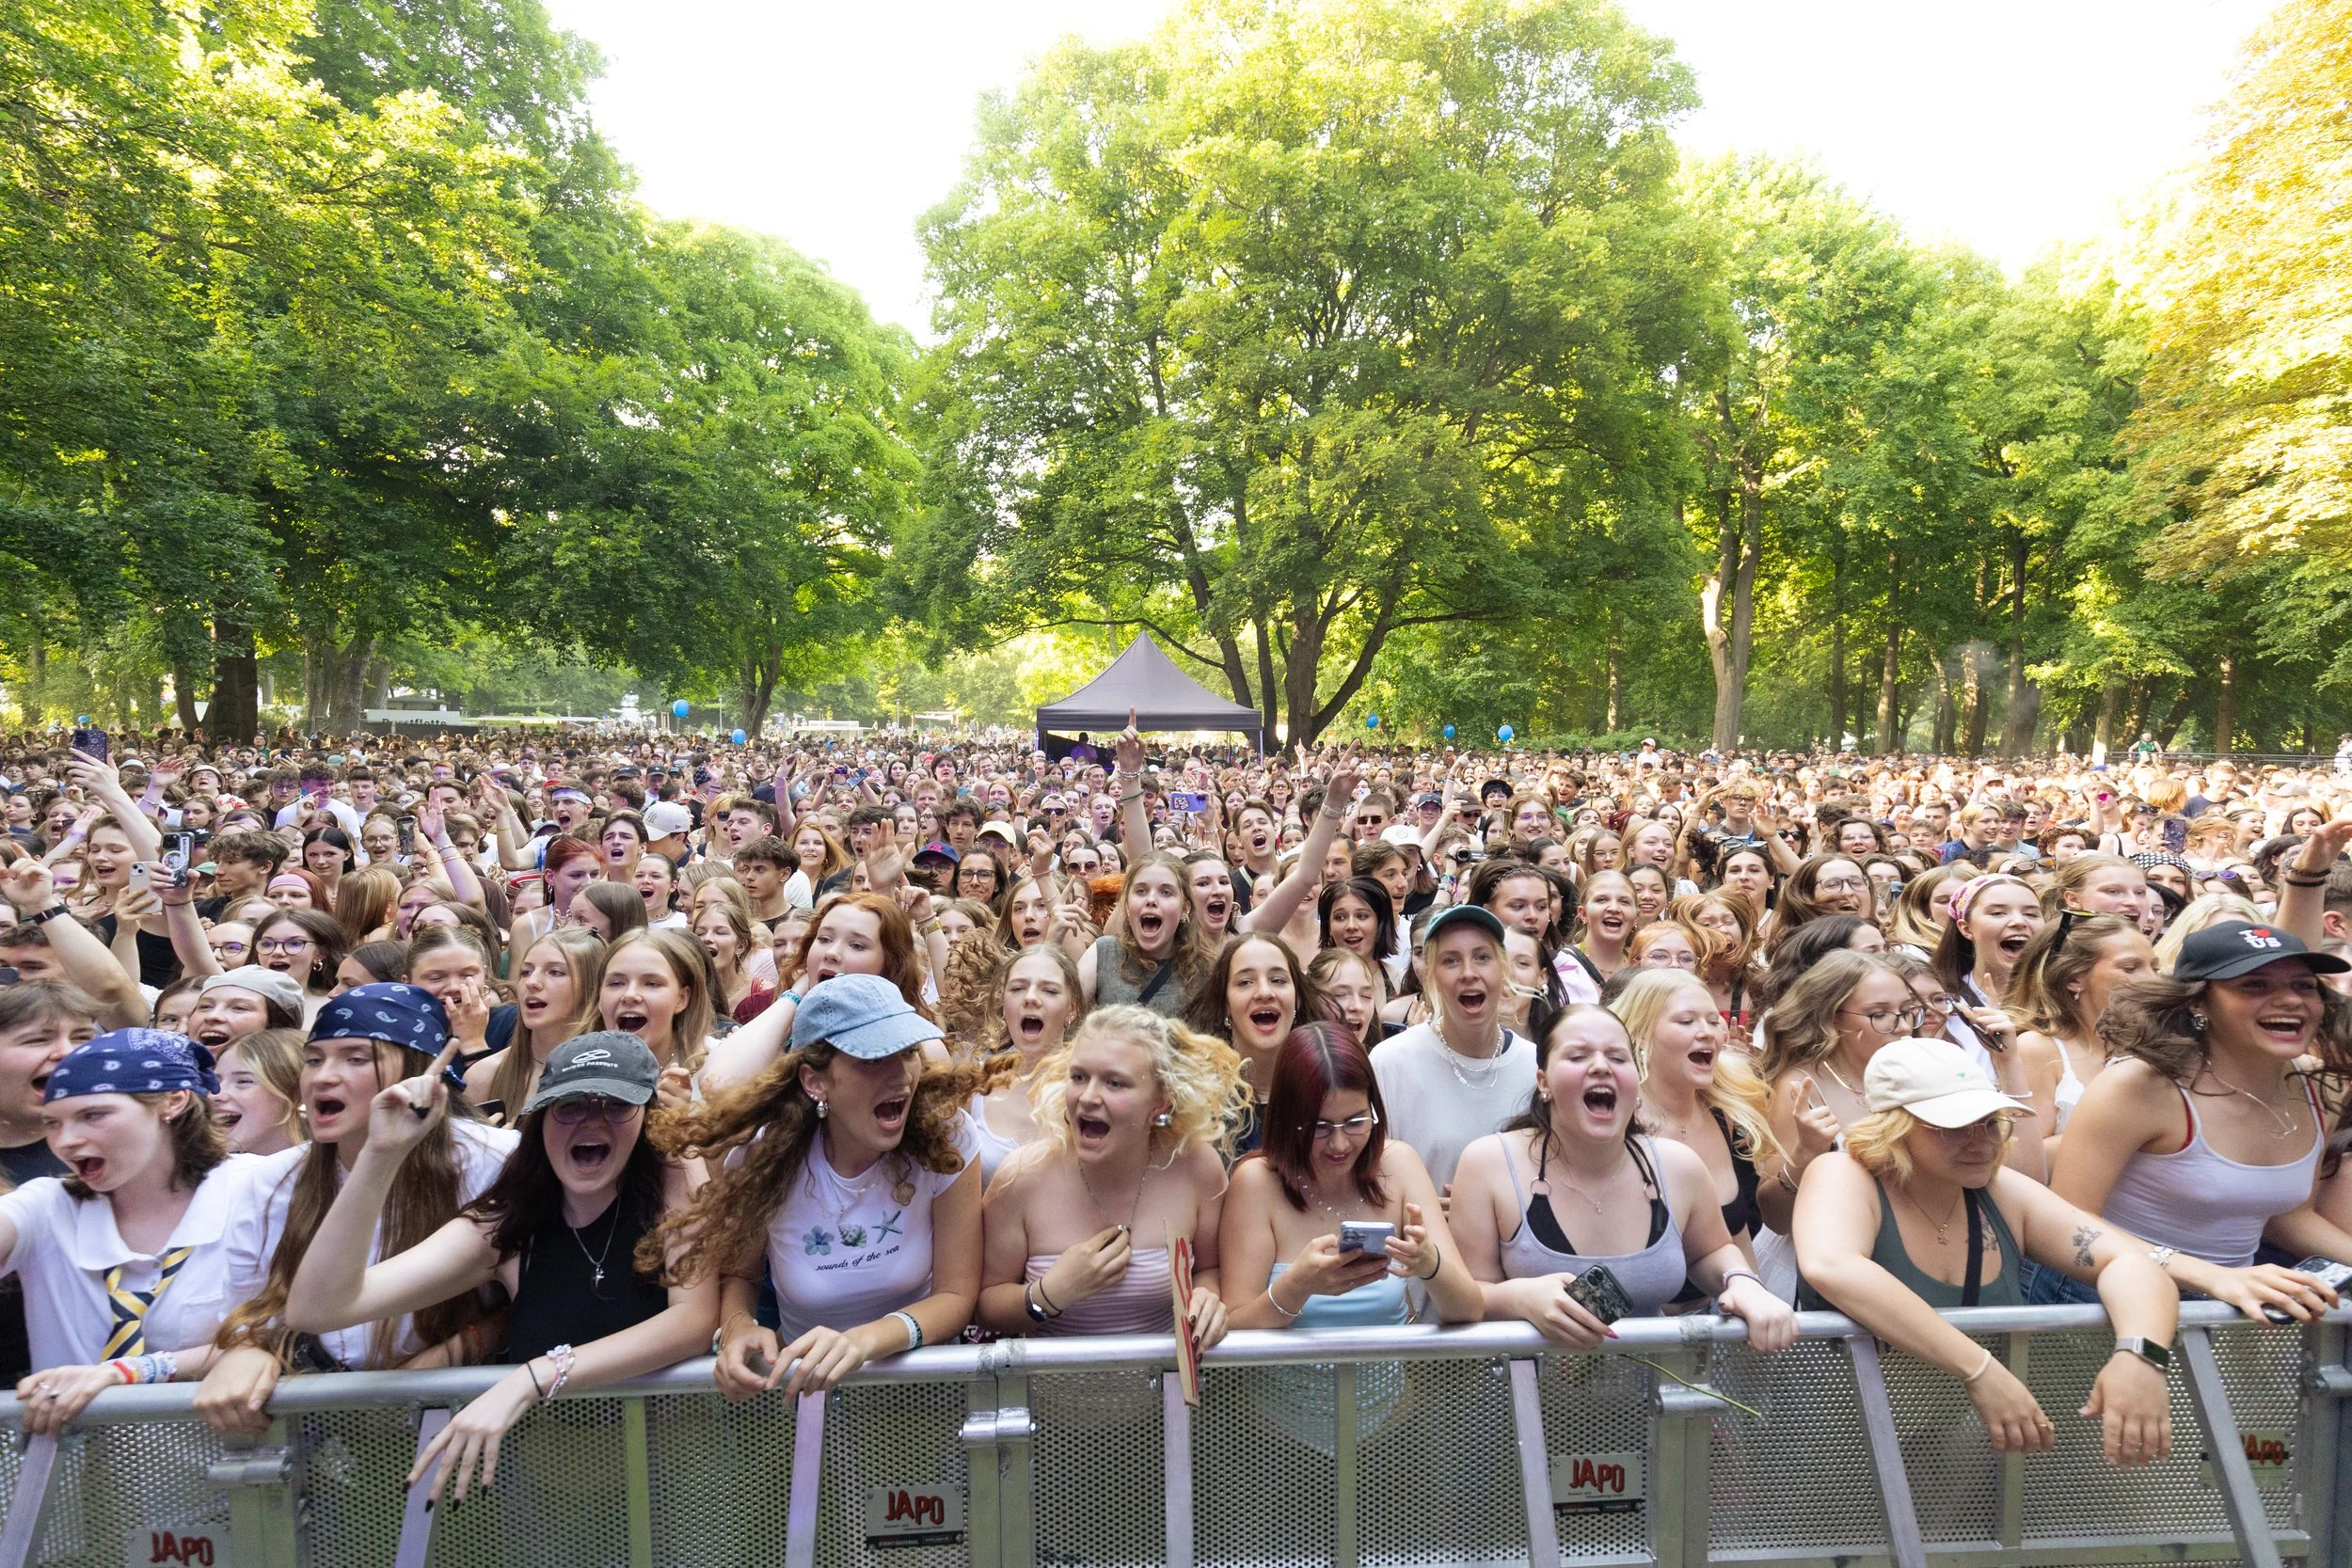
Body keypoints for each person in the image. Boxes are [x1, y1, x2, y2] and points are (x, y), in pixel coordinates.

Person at [283, 1032, 714, 1505]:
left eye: (615, 1105)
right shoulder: (506, 1224)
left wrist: (533, 1378)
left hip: (679, 1490)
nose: (592, 1122)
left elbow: (691, 1322)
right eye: (569, 1106)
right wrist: (381, 1155)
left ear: (646, 1120)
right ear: (541, 1118)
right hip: (547, 1504)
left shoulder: (677, 1188)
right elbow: (317, 1309)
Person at [1793, 1037, 2180, 1465]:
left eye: (1990, 1122)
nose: (1981, 1143)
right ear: (1894, 1127)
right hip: (1834, 1452)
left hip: (1961, 1455)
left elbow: (2126, 1260)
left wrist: (2141, 1356)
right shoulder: (1843, 1172)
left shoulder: (2000, 1191)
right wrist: (1980, 1369)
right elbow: (1831, 1265)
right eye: (1953, 1127)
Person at [196, 986, 520, 1433]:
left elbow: (533, 1297)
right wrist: (247, 1350)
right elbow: (251, 1310)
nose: (324, 1077)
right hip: (329, 1428)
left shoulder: (496, 1160)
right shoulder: (270, 1181)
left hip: (469, 1415)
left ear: (420, 1071)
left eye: (355, 1058)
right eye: (314, 1059)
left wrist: (452, 1353)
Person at [653, 974, 987, 1400]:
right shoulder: (764, 1156)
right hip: (806, 1400)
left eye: (907, 1053)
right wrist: (738, 1328)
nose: (902, 1075)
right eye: (872, 1060)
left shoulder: (949, 1136)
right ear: (815, 1081)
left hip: (927, 1397)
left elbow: (957, 1296)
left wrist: (863, 1342)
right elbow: (741, 1274)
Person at [2049, 923, 2352, 1320]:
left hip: (2234, 1302)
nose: (2290, 1000)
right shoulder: (2138, 1085)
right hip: (2101, 1299)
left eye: (2304, 986)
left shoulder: (2319, 1086)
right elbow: (2066, 1225)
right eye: (2255, 985)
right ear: (2198, 1002)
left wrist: (2224, 1282)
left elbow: (2287, 1218)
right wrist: (2211, 1277)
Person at [1449, 1006, 1795, 1345]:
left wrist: (1741, 1282)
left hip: (1653, 1391)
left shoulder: (1678, 1166)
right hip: (1524, 1392)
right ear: (1544, 1082)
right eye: (1578, 1056)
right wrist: (1518, 1298)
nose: (1601, 1067)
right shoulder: (1489, 1164)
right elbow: (1463, 1297)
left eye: (1617, 1057)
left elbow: (1710, 1251)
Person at [1, 1031, 254, 1433]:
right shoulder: (48, 1205)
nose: (66, 1141)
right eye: (53, 1123)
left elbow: (291, 1335)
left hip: (227, 1474)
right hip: (71, 1478)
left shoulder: (260, 1189)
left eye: (93, 1115)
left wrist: (132, 1370)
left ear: (173, 1101)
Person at [976, 1006, 1241, 1342]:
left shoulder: (1195, 1166)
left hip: (1166, 1390)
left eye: (1115, 1083)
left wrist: (1206, 1299)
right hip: (1052, 1391)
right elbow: (984, 1305)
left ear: (1159, 1102)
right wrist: (1049, 1294)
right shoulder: (1020, 1178)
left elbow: (1209, 1269)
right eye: (1079, 1077)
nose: (1088, 1097)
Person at [1219, 1022, 1483, 1328]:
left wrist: (1429, 1264)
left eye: (1356, 1121)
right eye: (1319, 1126)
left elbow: (1469, 1310)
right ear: (1288, 1119)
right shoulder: (1257, 1183)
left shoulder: (1398, 1164)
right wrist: (1295, 1287)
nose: (1340, 1144)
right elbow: (1233, 1325)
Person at [1614, 971, 1780, 1287]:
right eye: (1686, 1021)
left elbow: (1736, 1240)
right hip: (1636, 1327)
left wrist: (1755, 1299)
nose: (1707, 1032)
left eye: (1713, 1020)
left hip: (1723, 1317)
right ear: (1640, 1033)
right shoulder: (1618, 1124)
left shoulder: (1726, 1116)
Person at [1370, 907, 1536, 1193]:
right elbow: (1372, 1179)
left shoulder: (1536, 1066)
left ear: (1503, 969)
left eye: (1482, 957)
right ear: (1431, 975)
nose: (1468, 973)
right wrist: (1427, 1211)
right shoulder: (1390, 1062)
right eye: (1451, 961)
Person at [2009, 913, 2155, 1139]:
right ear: (2074, 979)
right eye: (2130, 968)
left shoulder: (2157, 1043)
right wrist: (2135, 1132)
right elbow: (2027, 1159)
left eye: (2155, 968)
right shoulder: (2037, 1049)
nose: (2153, 981)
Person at [1182, 932, 1323, 1155]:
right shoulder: (1193, 1103)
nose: (1264, 993)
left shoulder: (1326, 1090)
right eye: (1245, 982)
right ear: (1225, 1004)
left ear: (1298, 998)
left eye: (1278, 980)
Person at [968, 945, 1087, 1184]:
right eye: (1018, 988)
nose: (1031, 997)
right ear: (1003, 1004)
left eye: (1050, 991)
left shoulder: (1093, 1089)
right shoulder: (974, 1085)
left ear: (1071, 1008)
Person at [466, 927, 608, 1111]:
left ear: (592, 987)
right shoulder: (484, 1075)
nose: (531, 982)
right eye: (526, 972)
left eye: (555, 972)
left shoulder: (617, 1077)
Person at [1079, 853, 1216, 1017]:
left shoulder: (1206, 969)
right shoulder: (1103, 952)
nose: (1151, 900)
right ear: (1127, 905)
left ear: (1185, 909)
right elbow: (1063, 1011)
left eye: (1166, 892)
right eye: (1141, 891)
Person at [215, 1027, 305, 1155]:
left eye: (243, 1081)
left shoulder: (336, 1172)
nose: (215, 1095)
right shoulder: (199, 1171)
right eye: (215, 1081)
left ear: (295, 1093)